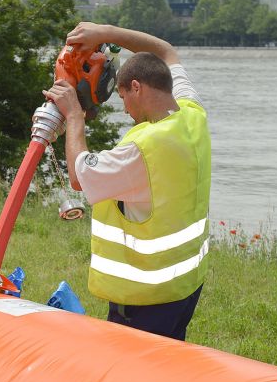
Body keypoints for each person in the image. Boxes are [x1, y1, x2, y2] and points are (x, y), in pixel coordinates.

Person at [48, 22, 211, 341]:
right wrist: (104, 33)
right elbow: (166, 51)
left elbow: (80, 176)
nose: (124, 110)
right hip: (185, 286)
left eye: (123, 97)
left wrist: (74, 116)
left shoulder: (142, 150)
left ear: (137, 87)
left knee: (135, 377)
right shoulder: (193, 115)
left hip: (145, 297)